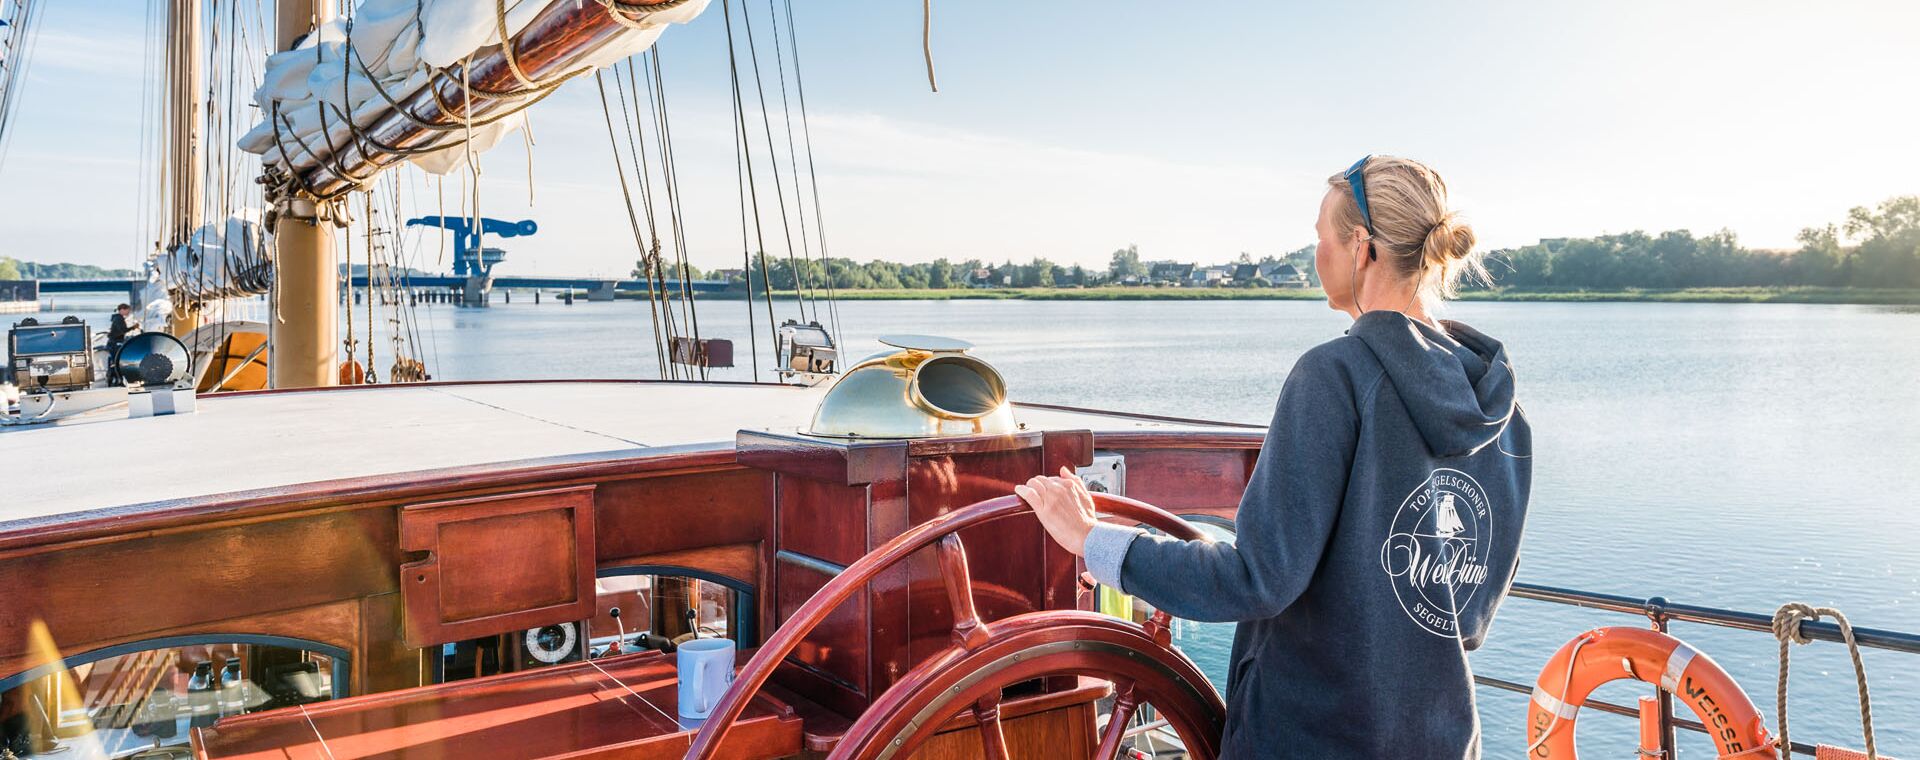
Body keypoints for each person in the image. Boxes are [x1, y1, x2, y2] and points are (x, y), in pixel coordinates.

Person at [1017, 155, 1532, 758]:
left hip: (1313, 739)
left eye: (1321, 237)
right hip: (1443, 738)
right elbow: (1468, 617)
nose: (1316, 255)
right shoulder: (1502, 412)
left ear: (1361, 248)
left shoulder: (1334, 378)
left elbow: (1256, 581)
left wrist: (1091, 539)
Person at [106, 303, 139, 385]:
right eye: (128, 310)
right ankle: (118, 379)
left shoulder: (117, 318)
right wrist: (133, 327)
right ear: (122, 310)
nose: (128, 312)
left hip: (113, 342)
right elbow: (122, 330)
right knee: (117, 362)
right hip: (115, 343)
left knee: (115, 361)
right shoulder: (118, 319)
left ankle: (116, 379)